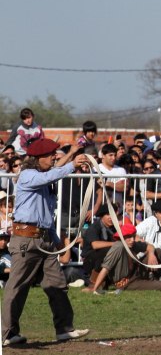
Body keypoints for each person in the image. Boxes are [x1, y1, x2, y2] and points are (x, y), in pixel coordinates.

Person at [1, 137, 91, 346]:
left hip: (45, 241)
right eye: (50, 155)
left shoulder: (42, 176)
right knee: (16, 288)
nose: (53, 157)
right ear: (38, 158)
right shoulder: (27, 176)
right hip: (26, 240)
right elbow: (51, 175)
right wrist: (72, 163)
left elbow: (51, 177)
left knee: (57, 284)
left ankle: (64, 329)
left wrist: (73, 151)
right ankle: (7, 333)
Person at [87, 222, 161, 293]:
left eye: (133, 236)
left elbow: (150, 246)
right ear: (122, 237)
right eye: (128, 237)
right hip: (126, 282)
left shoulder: (132, 244)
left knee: (158, 251)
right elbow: (105, 268)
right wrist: (95, 288)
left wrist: (151, 254)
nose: (132, 239)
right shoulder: (118, 246)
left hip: (136, 272)